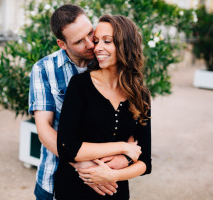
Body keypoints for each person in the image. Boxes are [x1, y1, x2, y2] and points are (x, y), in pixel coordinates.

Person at [29, 5, 132, 200]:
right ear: (62, 44)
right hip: (54, 179)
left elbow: (129, 120)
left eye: (90, 33)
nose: (91, 44)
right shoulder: (44, 69)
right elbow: (44, 131)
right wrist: (81, 163)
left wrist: (124, 157)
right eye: (79, 41)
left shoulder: (109, 62)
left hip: (107, 178)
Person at [55, 15, 152, 200]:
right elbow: (67, 147)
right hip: (74, 189)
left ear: (126, 45)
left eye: (107, 41)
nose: (97, 48)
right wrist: (123, 147)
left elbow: (145, 161)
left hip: (115, 191)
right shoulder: (80, 85)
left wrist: (113, 175)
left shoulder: (140, 94)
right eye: (97, 40)